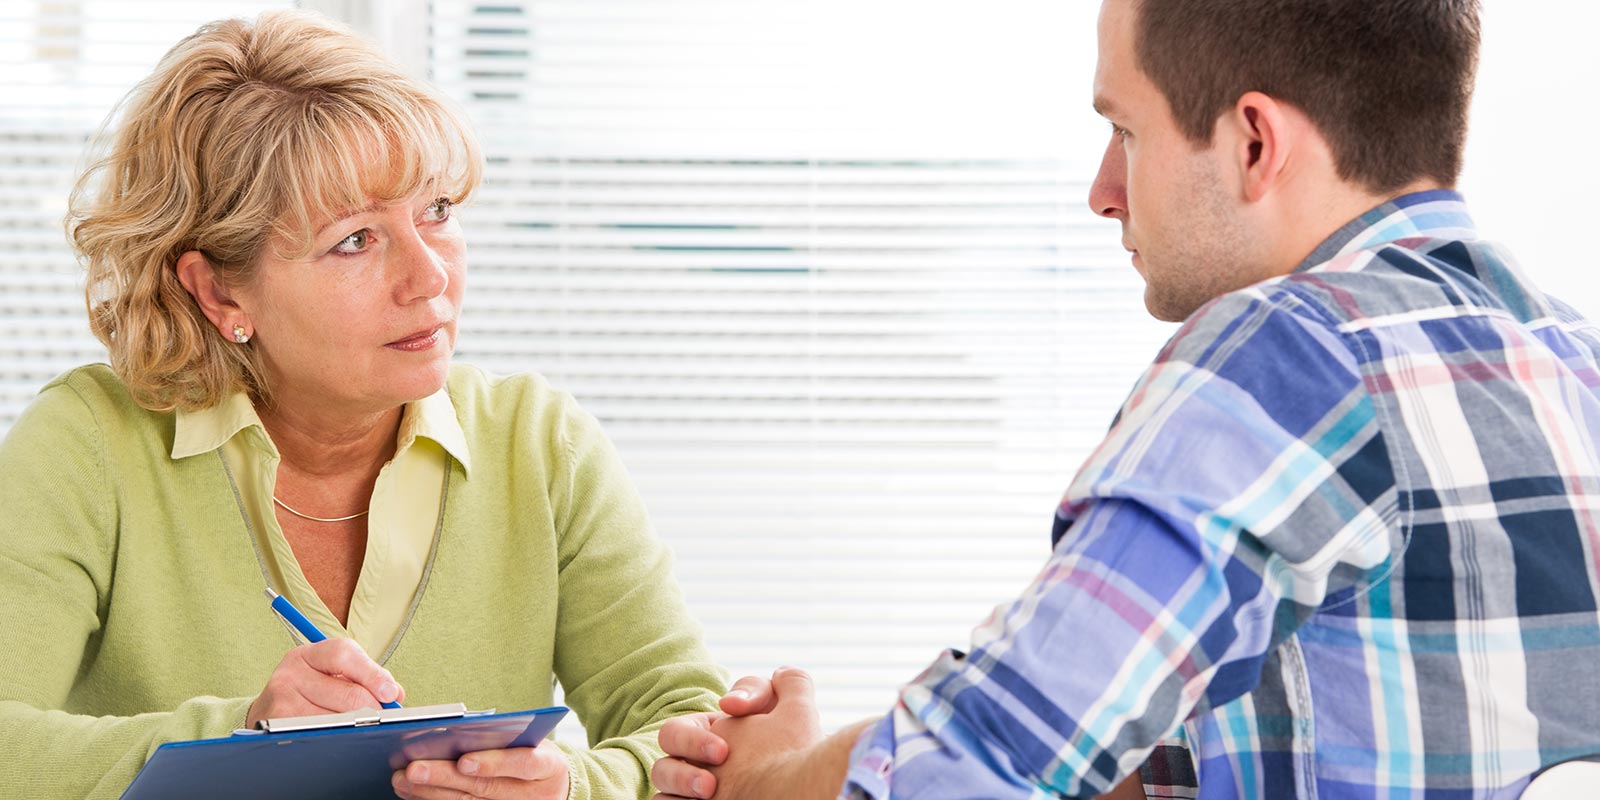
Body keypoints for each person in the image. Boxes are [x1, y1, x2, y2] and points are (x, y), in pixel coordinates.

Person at [651, 0, 1600, 797]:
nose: (1104, 192)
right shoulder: (1571, 359)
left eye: (1125, 130)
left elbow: (980, 763)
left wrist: (774, 778)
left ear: (1255, 142)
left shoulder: (1287, 356)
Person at [0, 9, 724, 800]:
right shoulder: (90, 444)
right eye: (356, 239)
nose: (430, 277)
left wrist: (571, 789)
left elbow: (689, 723)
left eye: (437, 212)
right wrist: (240, 737)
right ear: (217, 290)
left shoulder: (539, 444)